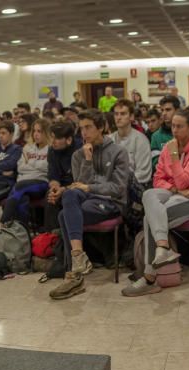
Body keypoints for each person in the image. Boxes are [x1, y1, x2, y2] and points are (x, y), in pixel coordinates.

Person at [122, 109, 189, 296]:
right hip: (175, 194)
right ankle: (162, 248)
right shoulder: (169, 146)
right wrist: (178, 190)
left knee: (149, 219)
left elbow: (182, 180)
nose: (174, 130)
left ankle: (149, 277)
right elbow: (158, 179)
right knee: (148, 195)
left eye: (179, 126)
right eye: (173, 125)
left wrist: (174, 157)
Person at [49, 110, 131, 300]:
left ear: (101, 128)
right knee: (69, 198)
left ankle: (73, 276)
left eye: (88, 127)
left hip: (111, 203)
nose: (83, 132)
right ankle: (78, 259)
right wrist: (87, 161)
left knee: (64, 215)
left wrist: (89, 187)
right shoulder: (79, 155)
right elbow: (78, 186)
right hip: (88, 202)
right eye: (81, 128)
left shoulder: (118, 152)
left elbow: (117, 188)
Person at [0, 118, 52, 239]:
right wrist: (35, 166)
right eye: (34, 131)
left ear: (46, 132)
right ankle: (23, 236)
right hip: (24, 183)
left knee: (18, 186)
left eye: (40, 131)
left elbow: (47, 168)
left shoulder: (51, 149)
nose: (36, 134)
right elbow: (21, 167)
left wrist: (31, 164)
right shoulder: (28, 147)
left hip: (41, 184)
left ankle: (1, 225)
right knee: (22, 198)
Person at [44, 121, 82, 230]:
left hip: (78, 186)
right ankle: (51, 237)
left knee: (68, 195)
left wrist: (63, 190)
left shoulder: (80, 150)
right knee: (50, 196)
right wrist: (55, 188)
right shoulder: (52, 150)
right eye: (51, 138)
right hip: (62, 185)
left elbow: (82, 180)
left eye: (56, 139)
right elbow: (53, 174)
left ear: (69, 140)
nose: (52, 142)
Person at [109, 99, 153, 187]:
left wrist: (119, 183)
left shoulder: (141, 140)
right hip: (110, 186)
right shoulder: (109, 139)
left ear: (131, 117)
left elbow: (143, 173)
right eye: (116, 114)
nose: (118, 117)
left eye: (123, 113)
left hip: (132, 188)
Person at [150, 95, 181, 170]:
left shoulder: (186, 132)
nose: (164, 113)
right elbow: (155, 163)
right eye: (162, 110)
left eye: (168, 110)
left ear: (177, 110)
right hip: (164, 178)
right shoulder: (156, 136)